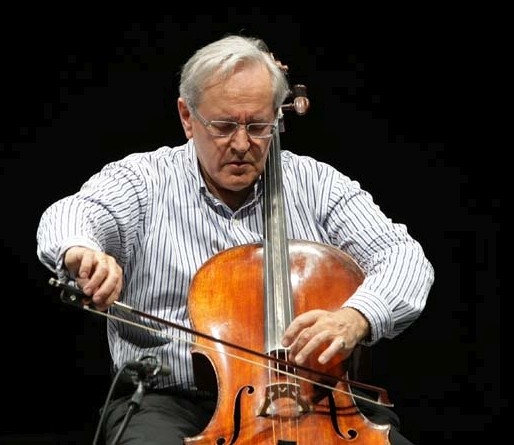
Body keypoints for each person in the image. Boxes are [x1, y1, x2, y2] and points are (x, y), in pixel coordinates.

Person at [37, 34, 434, 445]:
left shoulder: (317, 184)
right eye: (224, 127)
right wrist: (81, 251)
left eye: (259, 127)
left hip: (314, 398)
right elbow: (73, 214)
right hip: (170, 401)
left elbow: (402, 257)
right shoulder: (144, 180)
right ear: (187, 117)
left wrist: (355, 318)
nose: (243, 144)